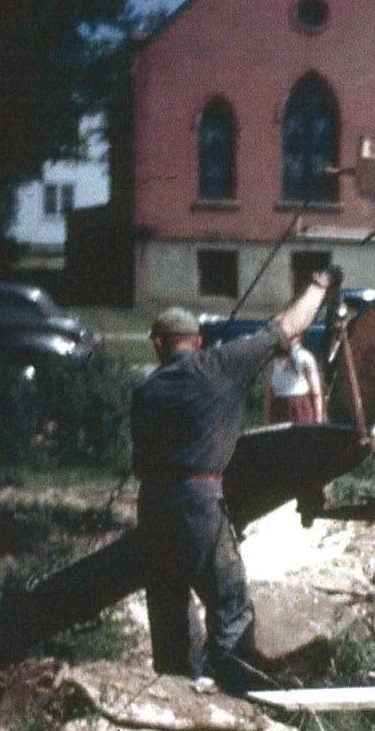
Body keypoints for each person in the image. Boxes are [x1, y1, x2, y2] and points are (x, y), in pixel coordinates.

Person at [131, 270, 338, 691]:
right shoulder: (220, 366)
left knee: (170, 607)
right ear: (199, 341)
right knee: (230, 606)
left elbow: (142, 462)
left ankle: (177, 693)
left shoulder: (146, 391)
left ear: (158, 344)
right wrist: (319, 285)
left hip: (153, 505)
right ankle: (231, 684)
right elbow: (288, 328)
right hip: (199, 503)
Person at [265, 337, 324, 425]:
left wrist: (318, 419)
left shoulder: (305, 357)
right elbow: (269, 393)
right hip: (280, 408)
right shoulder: (273, 361)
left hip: (300, 409)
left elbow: (316, 392)